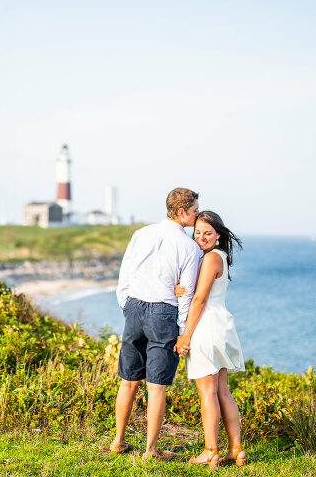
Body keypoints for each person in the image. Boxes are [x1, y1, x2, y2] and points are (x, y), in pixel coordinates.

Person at [109, 187, 203, 461]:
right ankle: (150, 451)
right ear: (182, 212)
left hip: (135, 307)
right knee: (156, 386)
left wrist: (126, 304)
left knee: (128, 381)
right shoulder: (189, 247)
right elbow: (185, 294)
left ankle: (118, 441)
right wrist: (185, 332)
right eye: (195, 211)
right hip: (163, 312)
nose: (197, 216)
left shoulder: (142, 233)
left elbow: (124, 273)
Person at [174, 210, 246, 467]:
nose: (201, 237)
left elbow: (199, 299)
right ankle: (236, 450)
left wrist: (185, 335)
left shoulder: (210, 259)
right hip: (222, 327)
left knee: (207, 393)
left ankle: (211, 451)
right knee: (222, 391)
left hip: (206, 329)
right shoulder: (222, 256)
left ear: (218, 235)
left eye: (207, 233)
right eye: (197, 233)